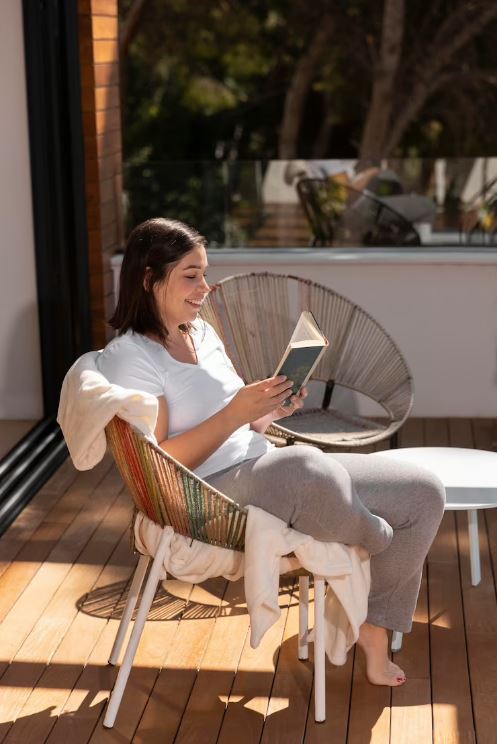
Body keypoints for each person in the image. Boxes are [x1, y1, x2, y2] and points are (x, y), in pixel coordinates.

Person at [96, 217, 445, 687]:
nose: (205, 286)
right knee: (304, 466)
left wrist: (270, 409)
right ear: (148, 278)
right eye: (191, 274)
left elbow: (244, 422)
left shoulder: (201, 334)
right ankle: (378, 545)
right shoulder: (130, 357)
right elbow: (165, 462)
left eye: (205, 273)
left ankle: (372, 623)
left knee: (423, 491)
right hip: (206, 491)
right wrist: (238, 413)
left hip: (265, 466)